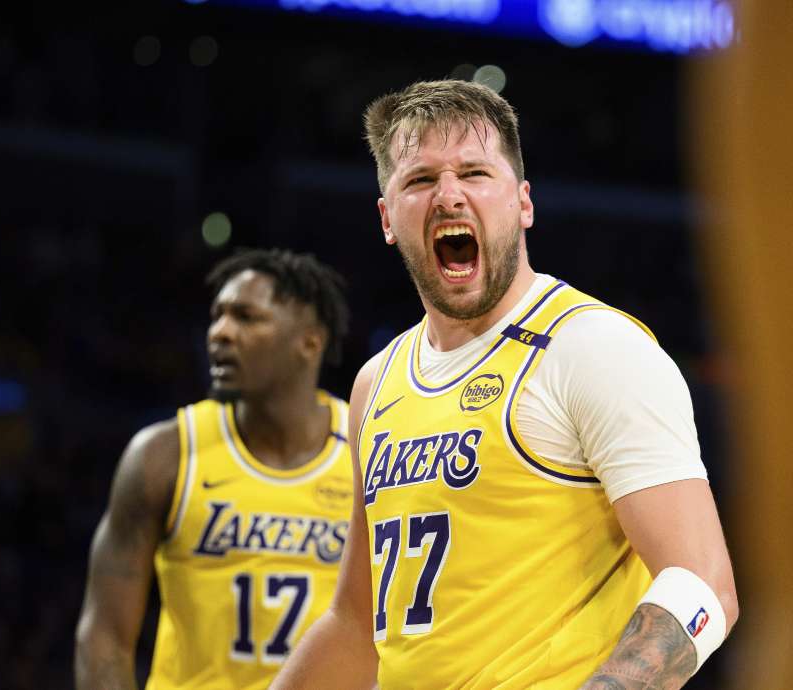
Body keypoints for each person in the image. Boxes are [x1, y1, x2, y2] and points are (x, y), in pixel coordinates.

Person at [272, 80, 738, 690]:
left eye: (474, 173)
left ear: (523, 203)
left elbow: (702, 582)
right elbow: (356, 625)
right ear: (388, 218)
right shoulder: (376, 381)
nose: (448, 196)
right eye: (419, 180)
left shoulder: (593, 347)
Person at [75, 248, 353, 689]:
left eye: (245, 317)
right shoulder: (164, 455)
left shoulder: (366, 450)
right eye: (217, 316)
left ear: (310, 341)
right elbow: (105, 635)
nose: (220, 333)